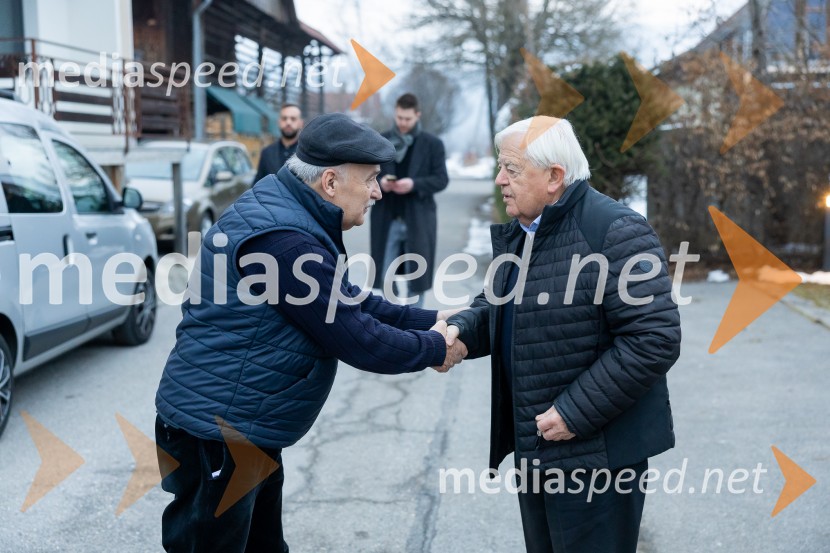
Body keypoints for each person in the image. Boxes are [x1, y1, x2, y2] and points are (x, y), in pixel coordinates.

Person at [154, 113, 467, 553]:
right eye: (372, 179)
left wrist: (432, 316)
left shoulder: (289, 211)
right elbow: (357, 337)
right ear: (331, 183)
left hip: (243, 424)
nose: (378, 191)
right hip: (219, 431)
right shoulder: (283, 240)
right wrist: (437, 346)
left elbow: (349, 300)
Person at [447, 116, 681, 553]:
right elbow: (498, 307)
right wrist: (461, 329)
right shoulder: (527, 231)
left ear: (554, 176)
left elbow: (654, 337)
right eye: (502, 168)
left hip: (597, 459)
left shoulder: (615, 230)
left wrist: (575, 412)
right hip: (539, 449)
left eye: (511, 169)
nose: (500, 180)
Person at [370, 93, 449, 307]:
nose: (402, 123)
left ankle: (415, 326)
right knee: (386, 277)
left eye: (407, 119)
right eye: (399, 118)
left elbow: (441, 179)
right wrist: (381, 182)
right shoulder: (381, 141)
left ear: (417, 115)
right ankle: (393, 322)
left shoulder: (432, 144)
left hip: (419, 219)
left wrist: (414, 184)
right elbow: (367, 175)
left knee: (417, 278)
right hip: (387, 218)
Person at [253, 103, 303, 182]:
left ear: (300, 123)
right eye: (284, 118)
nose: (288, 122)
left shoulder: (308, 153)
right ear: (279, 122)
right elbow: (257, 184)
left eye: (293, 119)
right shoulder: (267, 153)